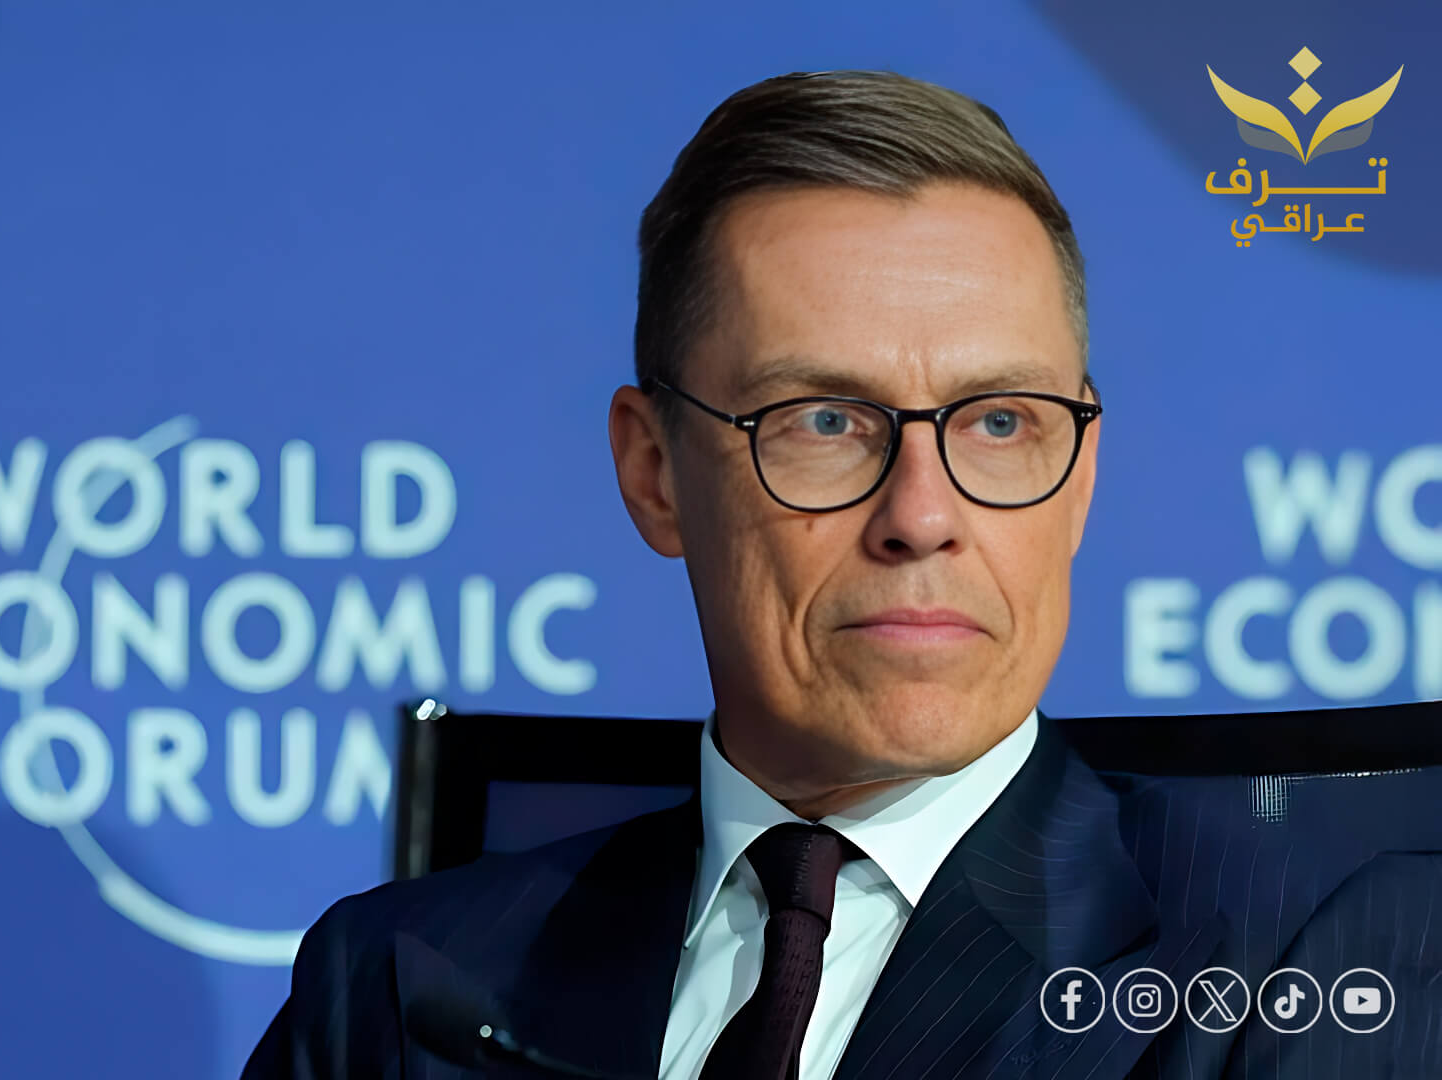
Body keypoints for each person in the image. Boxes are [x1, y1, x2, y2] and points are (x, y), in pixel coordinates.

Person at [240, 70, 1441, 1080]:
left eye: (1000, 423)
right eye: (824, 421)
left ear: (1080, 478)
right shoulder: (398, 988)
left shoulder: (1315, 962)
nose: (922, 516)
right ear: (654, 474)